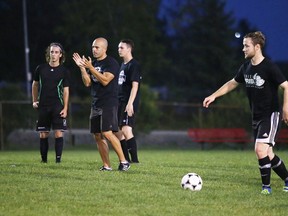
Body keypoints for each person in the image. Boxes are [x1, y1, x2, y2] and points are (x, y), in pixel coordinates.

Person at [203, 31, 288, 194]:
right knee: (268, 153)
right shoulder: (246, 67)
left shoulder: (269, 67)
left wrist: (285, 108)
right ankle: (287, 179)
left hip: (270, 115)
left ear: (257, 47)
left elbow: (286, 85)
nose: (243, 49)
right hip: (256, 116)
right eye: (243, 45)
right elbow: (232, 83)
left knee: (259, 149)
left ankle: (266, 188)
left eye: (246, 46)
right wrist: (213, 95)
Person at [72, 37, 130, 171]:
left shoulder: (111, 63)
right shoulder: (93, 63)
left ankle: (124, 161)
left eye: (97, 47)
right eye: (93, 47)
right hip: (96, 103)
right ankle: (106, 165)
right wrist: (82, 68)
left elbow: (105, 80)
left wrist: (90, 67)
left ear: (105, 49)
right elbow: (87, 83)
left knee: (108, 133)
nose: (94, 49)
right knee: (97, 135)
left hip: (108, 102)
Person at [32, 42, 70, 163]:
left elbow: (65, 90)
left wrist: (65, 108)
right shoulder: (40, 68)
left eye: (56, 52)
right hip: (43, 106)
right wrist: (34, 100)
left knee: (58, 133)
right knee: (43, 134)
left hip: (57, 106)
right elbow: (35, 85)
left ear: (60, 55)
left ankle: (58, 161)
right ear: (49, 53)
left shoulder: (64, 71)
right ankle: (44, 161)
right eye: (51, 52)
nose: (53, 54)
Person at [116, 39, 142, 163]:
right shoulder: (123, 65)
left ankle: (135, 161)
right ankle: (126, 159)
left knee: (126, 129)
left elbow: (135, 86)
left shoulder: (134, 65)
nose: (119, 50)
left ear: (129, 49)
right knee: (119, 132)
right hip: (120, 102)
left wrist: (130, 103)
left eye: (121, 47)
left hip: (128, 102)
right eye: (118, 48)